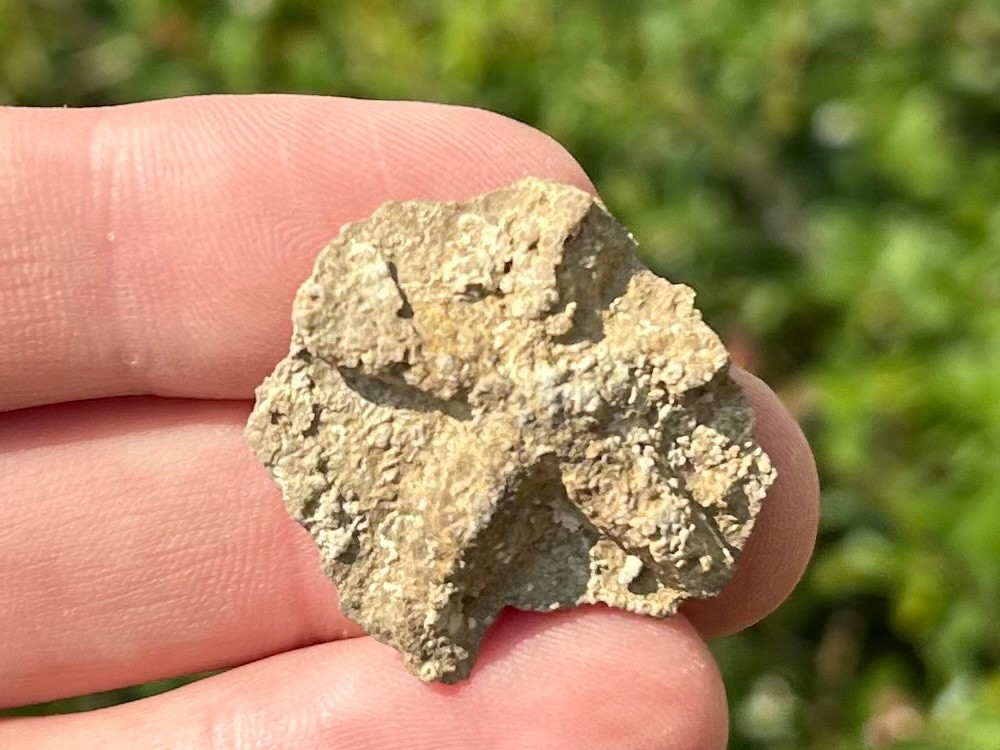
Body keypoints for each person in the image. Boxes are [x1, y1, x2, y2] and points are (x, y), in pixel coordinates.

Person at [0, 95, 819, 750]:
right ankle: (435, 619)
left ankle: (436, 619)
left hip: (546, 457)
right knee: (453, 579)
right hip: (483, 463)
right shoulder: (473, 358)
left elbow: (665, 525)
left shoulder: (571, 377)